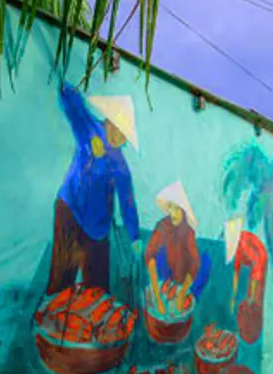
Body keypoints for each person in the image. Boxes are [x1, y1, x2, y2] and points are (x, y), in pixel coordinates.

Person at [47, 83, 141, 295]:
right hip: (70, 213)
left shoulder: (120, 164)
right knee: (62, 282)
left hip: (98, 228)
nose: (121, 139)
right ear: (110, 121)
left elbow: (127, 201)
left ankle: (94, 325)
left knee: (98, 290)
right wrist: (65, 89)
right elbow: (75, 109)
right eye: (120, 130)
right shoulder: (90, 130)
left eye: (126, 135)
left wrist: (134, 237)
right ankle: (52, 321)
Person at [145, 181, 210, 314]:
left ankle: (189, 294)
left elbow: (194, 264)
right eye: (170, 207)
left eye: (177, 208)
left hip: (185, 275)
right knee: (160, 253)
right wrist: (157, 298)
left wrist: (182, 294)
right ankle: (165, 287)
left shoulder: (189, 232)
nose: (173, 213)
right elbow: (150, 255)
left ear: (183, 210)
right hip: (168, 271)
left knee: (206, 261)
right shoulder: (162, 226)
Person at [229, 230, 268, 313]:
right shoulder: (236, 248)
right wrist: (233, 296)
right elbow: (236, 271)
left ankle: (251, 300)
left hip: (258, 257)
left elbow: (257, 267)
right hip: (248, 258)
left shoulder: (247, 247)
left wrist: (251, 297)